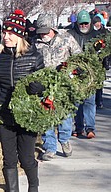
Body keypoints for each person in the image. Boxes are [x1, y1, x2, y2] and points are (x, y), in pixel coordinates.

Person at [0, 9, 44, 192]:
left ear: (19, 36)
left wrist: (39, 87)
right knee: (9, 159)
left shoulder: (34, 57)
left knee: (27, 159)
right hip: (5, 115)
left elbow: (46, 85)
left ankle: (33, 186)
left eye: (10, 33)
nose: (6, 36)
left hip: (27, 116)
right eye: (4, 32)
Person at [33, 14, 82, 161]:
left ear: (52, 28)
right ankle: (50, 147)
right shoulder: (35, 43)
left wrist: (74, 70)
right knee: (46, 116)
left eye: (45, 31)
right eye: (40, 31)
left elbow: (79, 57)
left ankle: (65, 139)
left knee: (64, 115)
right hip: (44, 85)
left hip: (63, 84)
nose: (43, 34)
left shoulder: (66, 38)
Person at [68, 10, 98, 139]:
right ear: (77, 23)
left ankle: (90, 128)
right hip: (75, 73)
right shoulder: (71, 35)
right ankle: (79, 127)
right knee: (76, 102)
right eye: (82, 23)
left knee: (89, 101)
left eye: (86, 23)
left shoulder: (96, 35)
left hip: (91, 74)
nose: (84, 26)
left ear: (90, 23)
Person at [92, 16, 109, 109]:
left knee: (100, 82)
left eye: (97, 23)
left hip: (102, 61)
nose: (96, 25)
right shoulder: (92, 32)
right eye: (94, 24)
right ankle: (95, 100)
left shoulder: (106, 33)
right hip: (94, 61)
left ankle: (99, 101)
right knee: (94, 81)